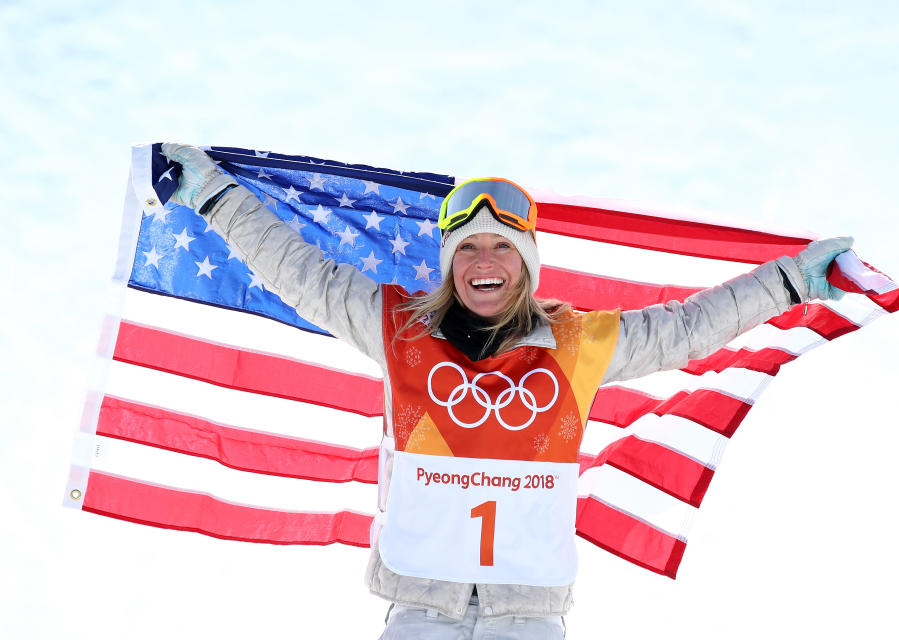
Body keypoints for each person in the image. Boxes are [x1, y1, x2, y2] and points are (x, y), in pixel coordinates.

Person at [161, 144, 852, 639]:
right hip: (418, 612)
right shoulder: (399, 328)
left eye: (499, 248)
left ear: (525, 265)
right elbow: (299, 270)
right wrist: (215, 194)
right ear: (449, 264)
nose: (482, 261)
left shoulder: (579, 346)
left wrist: (791, 280)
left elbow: (691, 327)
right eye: (466, 248)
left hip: (528, 616)